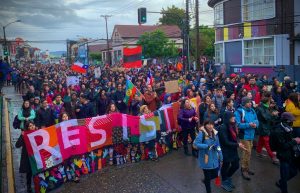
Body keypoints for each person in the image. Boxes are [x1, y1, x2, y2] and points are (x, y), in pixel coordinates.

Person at [271, 112, 300, 193]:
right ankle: (284, 189)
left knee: (293, 172)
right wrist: (295, 141)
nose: (292, 123)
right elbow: (283, 146)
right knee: (284, 175)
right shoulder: (278, 131)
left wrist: (294, 140)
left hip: (290, 154)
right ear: (286, 121)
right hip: (283, 155)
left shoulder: (288, 128)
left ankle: (281, 182)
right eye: (291, 121)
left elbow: (288, 140)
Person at [219, 112, 247, 192]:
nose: (234, 118)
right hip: (225, 150)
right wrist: (238, 145)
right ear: (228, 118)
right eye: (232, 117)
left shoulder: (232, 125)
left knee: (236, 165)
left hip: (233, 149)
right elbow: (225, 142)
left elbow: (235, 137)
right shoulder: (223, 127)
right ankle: (224, 182)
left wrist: (238, 143)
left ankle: (227, 177)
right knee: (225, 166)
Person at [193, 120, 223, 193]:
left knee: (216, 174)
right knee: (208, 177)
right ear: (205, 125)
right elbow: (196, 144)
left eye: (212, 124)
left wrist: (221, 155)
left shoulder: (215, 133)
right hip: (205, 159)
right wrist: (206, 146)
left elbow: (218, 145)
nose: (210, 126)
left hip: (214, 158)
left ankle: (206, 180)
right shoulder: (201, 134)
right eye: (208, 124)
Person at [234, 97, 259, 180]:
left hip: (251, 134)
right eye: (248, 102)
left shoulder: (252, 110)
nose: (250, 104)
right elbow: (238, 124)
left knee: (249, 152)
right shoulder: (239, 111)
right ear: (244, 103)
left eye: (250, 102)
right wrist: (249, 125)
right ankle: (244, 169)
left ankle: (247, 168)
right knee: (247, 152)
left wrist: (255, 124)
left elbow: (256, 120)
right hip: (244, 135)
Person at [256, 97, 280, 164]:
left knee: (261, 140)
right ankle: (273, 157)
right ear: (266, 102)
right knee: (267, 143)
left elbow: (270, 119)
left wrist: (275, 115)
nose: (271, 103)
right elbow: (266, 118)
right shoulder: (261, 108)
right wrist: (273, 114)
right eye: (270, 102)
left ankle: (258, 152)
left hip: (265, 127)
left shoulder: (265, 108)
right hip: (263, 128)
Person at [15, 121, 37, 193]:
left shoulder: (38, 132)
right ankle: (29, 187)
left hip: (37, 156)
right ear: (27, 128)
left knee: (37, 172)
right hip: (29, 157)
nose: (32, 127)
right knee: (29, 173)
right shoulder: (24, 135)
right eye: (30, 126)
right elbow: (17, 145)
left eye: (32, 125)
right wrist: (22, 136)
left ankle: (38, 185)